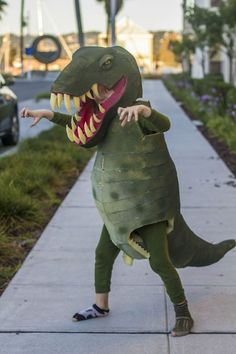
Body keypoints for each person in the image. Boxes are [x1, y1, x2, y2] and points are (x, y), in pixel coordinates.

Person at [21, 103, 194, 337]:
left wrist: (145, 112)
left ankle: (183, 312)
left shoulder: (136, 108)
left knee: (160, 262)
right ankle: (100, 306)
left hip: (147, 206)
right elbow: (78, 125)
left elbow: (164, 125)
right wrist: (47, 114)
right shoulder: (102, 114)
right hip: (121, 208)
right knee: (103, 254)